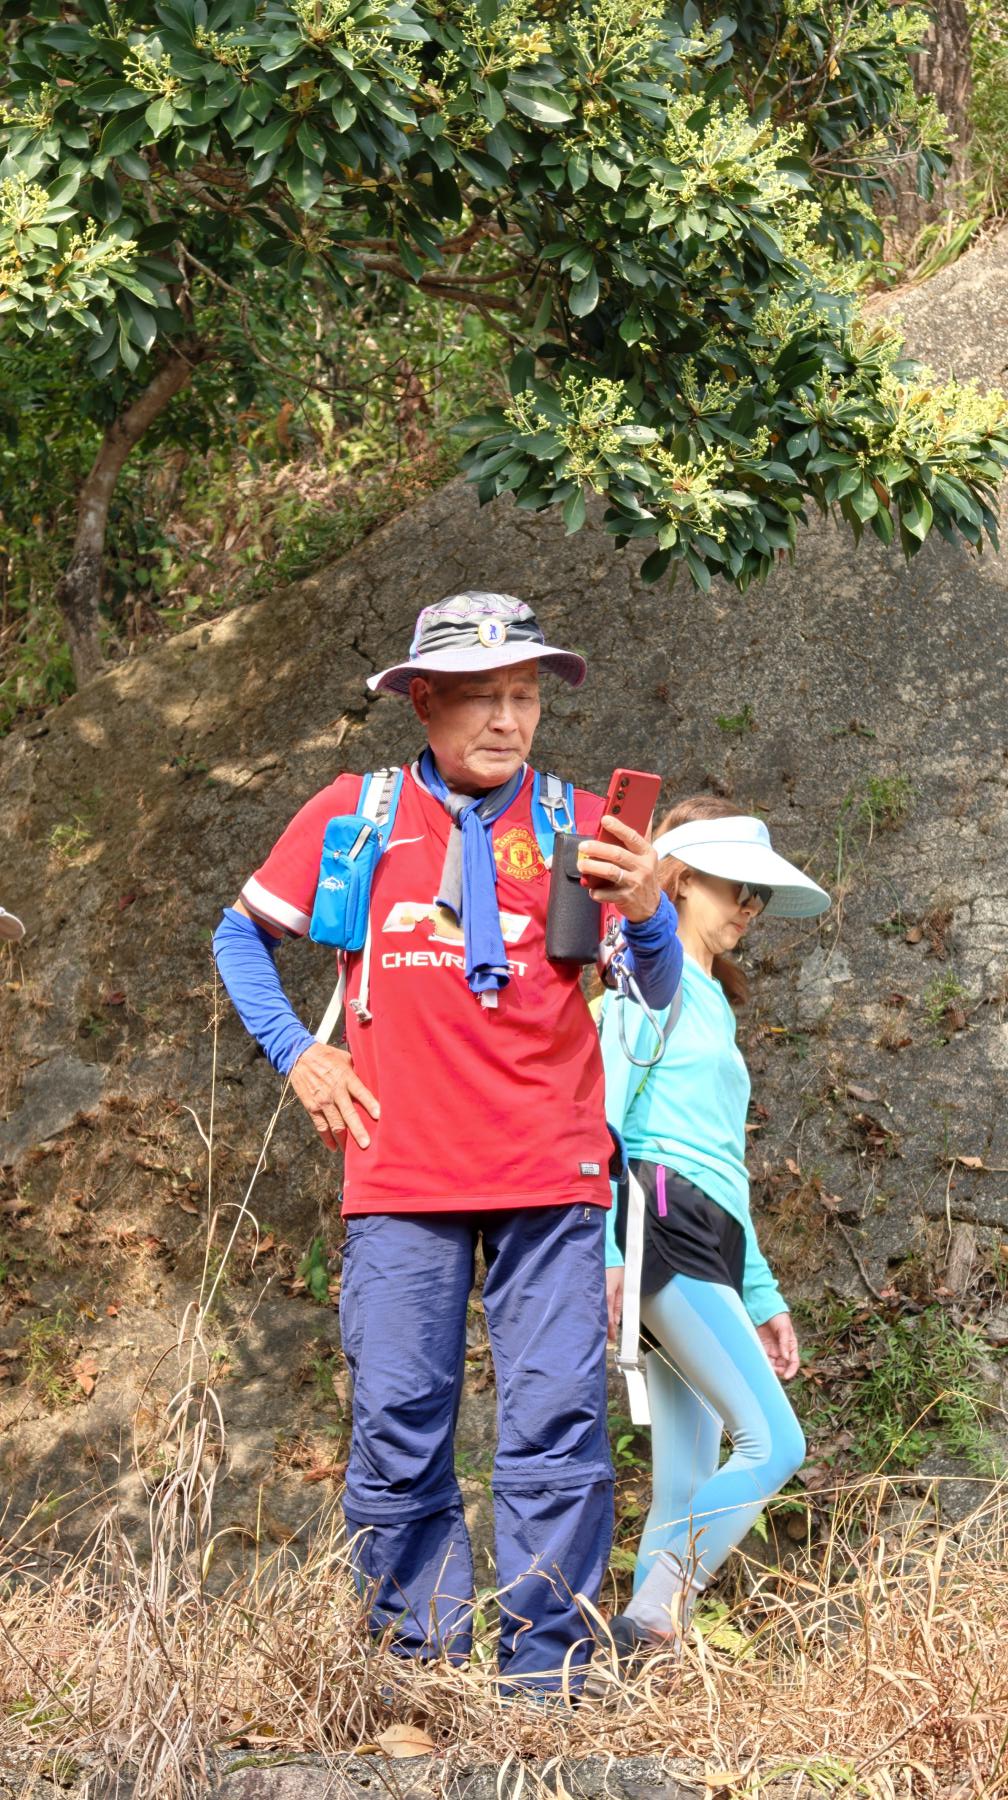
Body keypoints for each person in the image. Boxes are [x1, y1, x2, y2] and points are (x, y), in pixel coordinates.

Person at [212, 591, 683, 1696]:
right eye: (482, 698)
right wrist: (299, 1053)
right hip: (399, 1171)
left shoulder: (578, 824)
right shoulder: (356, 811)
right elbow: (242, 935)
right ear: (422, 701)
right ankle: (417, 1672)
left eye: (525, 695)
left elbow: (655, 989)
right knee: (397, 1422)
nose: (510, 719)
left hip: (550, 1169)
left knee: (557, 1424)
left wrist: (649, 908)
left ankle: (546, 1680)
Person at [599, 795, 829, 1664]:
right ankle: (655, 1621)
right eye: (737, 887)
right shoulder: (642, 981)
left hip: (708, 1231)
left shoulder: (715, 1006)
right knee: (775, 1442)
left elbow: (726, 1162)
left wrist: (762, 1293)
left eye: (758, 896)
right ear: (682, 879)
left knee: (688, 1477)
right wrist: (608, 1249)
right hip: (659, 1219)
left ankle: (634, 1668)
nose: (749, 908)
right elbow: (600, 1118)